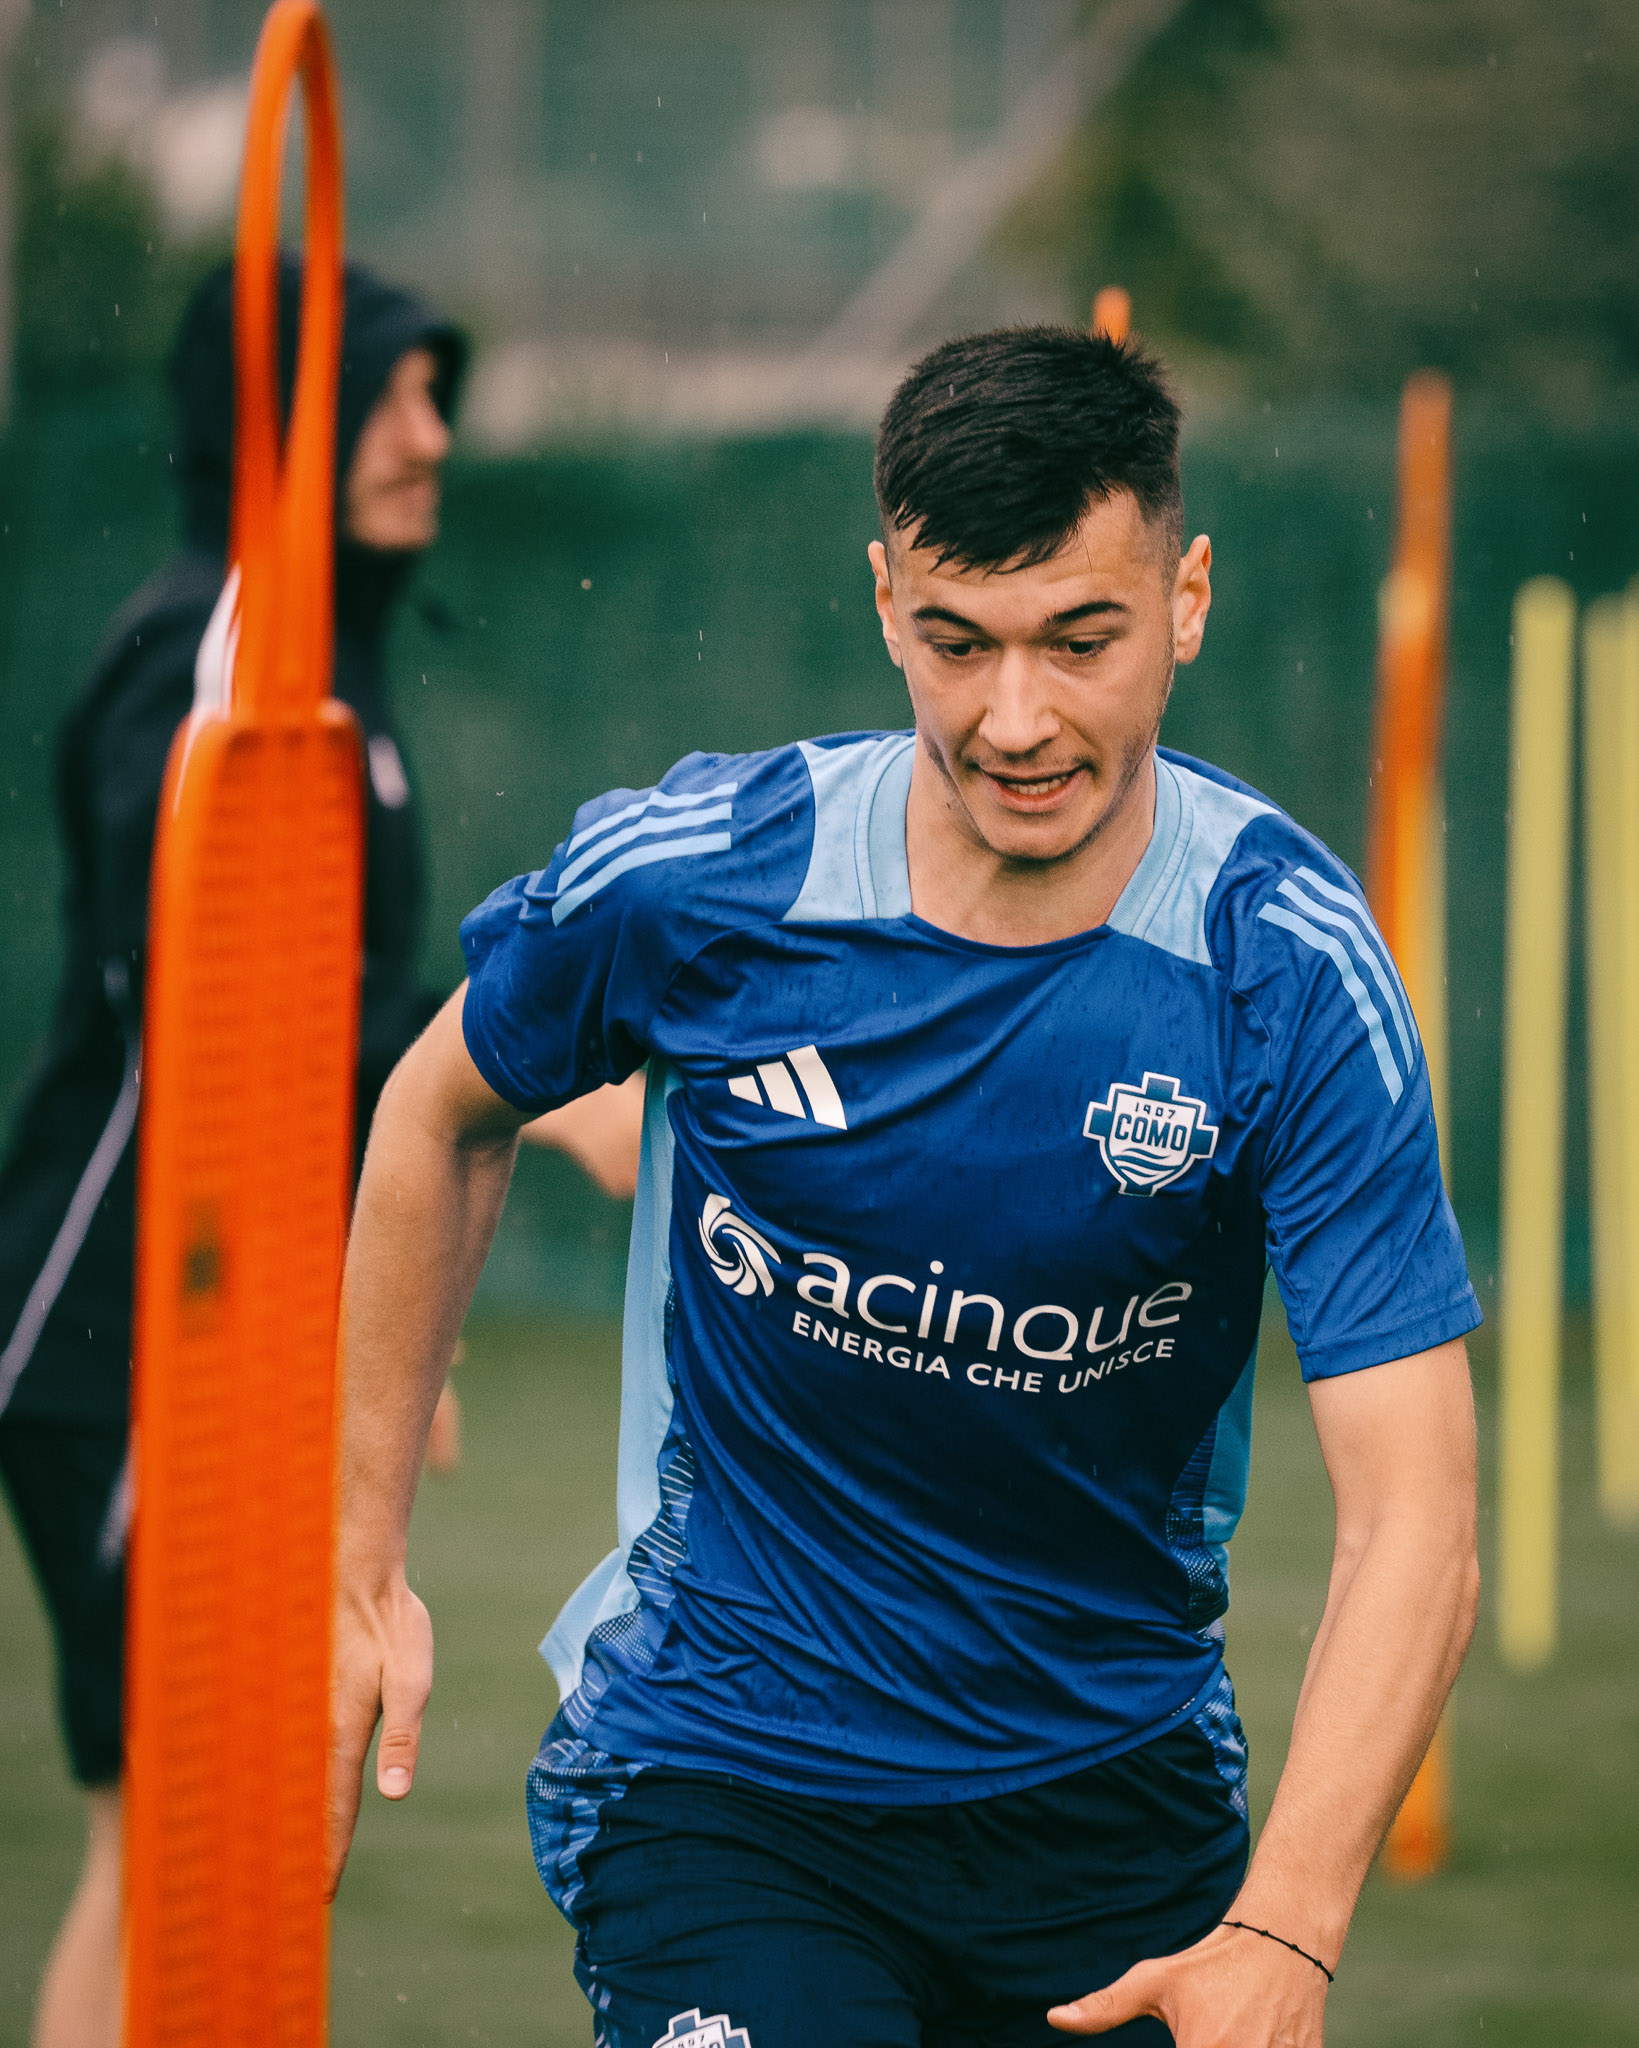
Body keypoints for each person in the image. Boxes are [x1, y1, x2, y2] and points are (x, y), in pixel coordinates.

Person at [327, 328, 1481, 2048]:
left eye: (1080, 640)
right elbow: (437, 1111)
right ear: (884, 603)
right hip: (727, 1777)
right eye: (959, 643)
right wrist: (354, 1565)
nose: (1017, 720)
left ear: (1187, 601)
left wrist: (1287, 1931)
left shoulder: (1287, 968)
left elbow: (1417, 1519)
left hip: (1113, 1803)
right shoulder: (704, 879)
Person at [0, 256, 638, 2048]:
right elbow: (232, 1008)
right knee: (172, 1838)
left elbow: (315, 1043)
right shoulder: (211, 655)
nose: (432, 436)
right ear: (276, 418)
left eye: (439, 394)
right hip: (117, 1341)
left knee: (213, 1838)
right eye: (388, 395)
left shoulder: (322, 659)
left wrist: (366, 1344)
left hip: (215, 1327)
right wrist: (538, 1087)